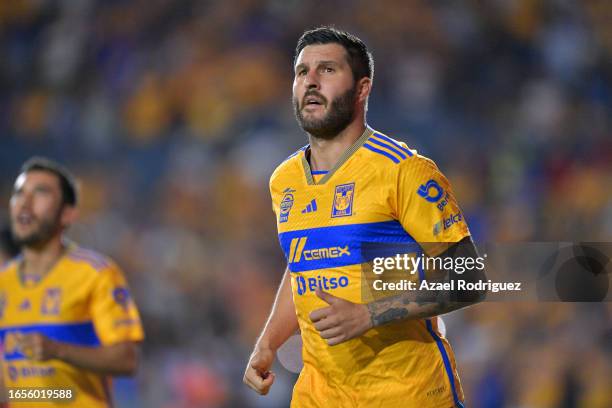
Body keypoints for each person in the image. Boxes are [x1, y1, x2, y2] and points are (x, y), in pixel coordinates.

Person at [244, 27, 486, 407]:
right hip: (319, 395)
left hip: (406, 393)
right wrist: (268, 342)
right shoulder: (284, 180)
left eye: (326, 70)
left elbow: (468, 277)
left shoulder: (403, 170)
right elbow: (302, 266)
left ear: (362, 89)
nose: (310, 81)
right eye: (301, 71)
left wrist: (369, 314)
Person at [0, 157, 144, 407]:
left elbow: (127, 360)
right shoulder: (4, 282)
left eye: (40, 193)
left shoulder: (95, 274)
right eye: (19, 194)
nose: (25, 203)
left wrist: (58, 350)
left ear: (67, 214)